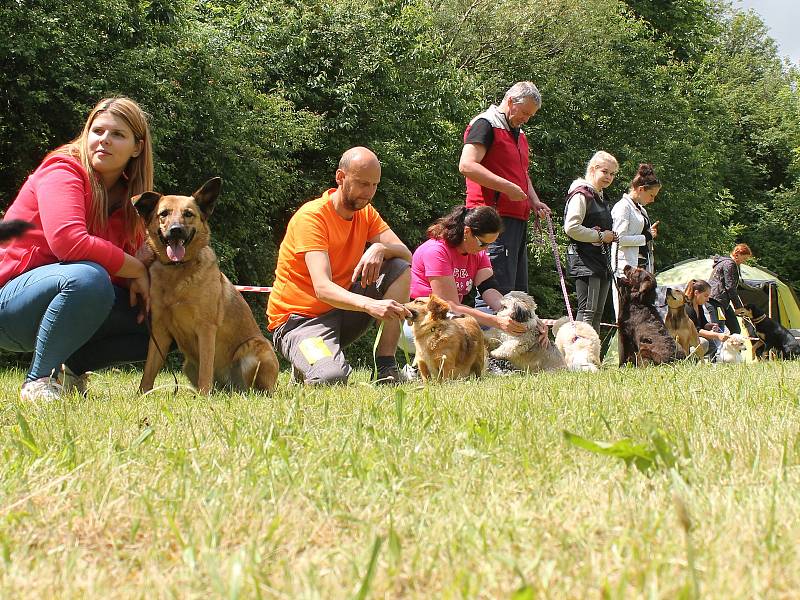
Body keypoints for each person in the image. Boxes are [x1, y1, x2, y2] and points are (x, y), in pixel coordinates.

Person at [0, 97, 154, 401]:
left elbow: (124, 277)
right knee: (88, 277)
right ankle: (39, 381)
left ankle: (75, 369)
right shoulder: (63, 170)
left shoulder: (130, 199)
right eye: (97, 131)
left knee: (166, 315)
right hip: (10, 302)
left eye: (117, 135)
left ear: (137, 147)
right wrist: (136, 267)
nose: (104, 141)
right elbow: (68, 241)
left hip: (69, 301)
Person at [267, 147, 412, 385]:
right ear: (340, 177)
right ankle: (309, 362)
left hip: (341, 312)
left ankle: (386, 367)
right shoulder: (312, 217)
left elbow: (407, 255)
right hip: (299, 321)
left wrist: (380, 248)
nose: (369, 193)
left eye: (375, 185)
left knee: (398, 267)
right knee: (330, 378)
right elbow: (322, 288)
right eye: (363, 184)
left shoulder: (366, 213)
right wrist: (371, 305)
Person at [458, 81, 551, 306]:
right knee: (495, 288)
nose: (526, 119)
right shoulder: (485, 124)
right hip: (491, 218)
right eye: (525, 112)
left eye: (531, 115)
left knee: (517, 293)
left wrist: (534, 201)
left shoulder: (519, 134)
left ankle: (514, 339)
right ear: (510, 101)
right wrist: (506, 187)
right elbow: (467, 165)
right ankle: (491, 337)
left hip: (516, 219)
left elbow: (521, 173)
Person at [402, 205, 527, 350]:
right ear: (467, 232)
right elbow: (450, 306)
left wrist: (519, 317)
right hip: (418, 321)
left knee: (486, 327)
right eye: (483, 243)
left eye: (490, 244)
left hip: (450, 318)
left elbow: (489, 289)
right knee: (471, 329)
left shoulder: (478, 253)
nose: (486, 249)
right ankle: (420, 368)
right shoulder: (436, 251)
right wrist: (497, 321)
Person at [564, 151, 619, 333]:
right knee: (587, 312)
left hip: (600, 262)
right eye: (605, 172)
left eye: (612, 174)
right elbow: (571, 227)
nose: (609, 177)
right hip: (585, 261)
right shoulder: (581, 194)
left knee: (597, 313)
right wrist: (601, 236)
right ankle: (579, 358)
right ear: (593, 169)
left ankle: (593, 358)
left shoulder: (600, 196)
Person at [611, 163, 662, 316]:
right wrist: (646, 237)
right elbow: (619, 238)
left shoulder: (640, 209)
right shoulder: (623, 207)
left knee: (639, 314)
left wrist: (648, 233)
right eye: (651, 195)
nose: (652, 200)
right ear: (641, 189)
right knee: (625, 314)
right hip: (624, 269)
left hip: (640, 267)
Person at [708, 243, 754, 335]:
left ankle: (731, 347)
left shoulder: (726, 263)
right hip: (716, 300)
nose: (744, 261)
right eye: (744, 258)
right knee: (719, 329)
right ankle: (716, 348)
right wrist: (738, 307)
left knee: (736, 330)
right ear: (737, 255)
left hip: (723, 301)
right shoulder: (729, 264)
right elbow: (730, 287)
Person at [684, 279, 729, 360]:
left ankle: (693, 362)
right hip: (684, 340)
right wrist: (717, 335)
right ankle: (685, 362)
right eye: (705, 295)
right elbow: (696, 331)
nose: (708, 299)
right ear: (696, 293)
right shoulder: (687, 308)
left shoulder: (699, 305)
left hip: (692, 338)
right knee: (703, 343)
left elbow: (703, 323)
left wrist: (709, 325)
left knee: (712, 345)